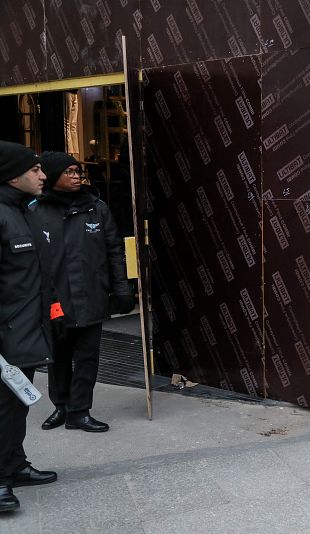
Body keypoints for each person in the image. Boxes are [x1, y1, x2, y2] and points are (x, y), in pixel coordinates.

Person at [33, 152, 135, 433]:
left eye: (78, 171)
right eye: (69, 172)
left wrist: (123, 289)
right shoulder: (35, 211)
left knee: (88, 356)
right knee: (58, 356)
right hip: (55, 300)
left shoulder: (97, 208)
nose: (77, 176)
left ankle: (80, 411)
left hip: (92, 296)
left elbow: (115, 250)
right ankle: (62, 407)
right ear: (53, 177)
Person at [0, 141, 58, 513]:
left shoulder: (25, 211)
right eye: (35, 169)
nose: (42, 175)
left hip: (26, 330)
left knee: (16, 404)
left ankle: (13, 466)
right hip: (5, 334)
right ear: (11, 174)